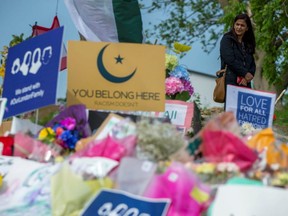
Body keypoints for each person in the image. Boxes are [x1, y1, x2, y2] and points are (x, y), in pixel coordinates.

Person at [220, 13, 256, 104]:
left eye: (242, 25)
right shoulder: (227, 39)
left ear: (247, 28)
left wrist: (248, 76)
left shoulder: (247, 44)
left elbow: (252, 63)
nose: (239, 27)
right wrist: (244, 73)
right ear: (234, 25)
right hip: (231, 80)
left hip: (245, 82)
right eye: (237, 24)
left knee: (244, 111)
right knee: (231, 111)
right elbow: (229, 60)